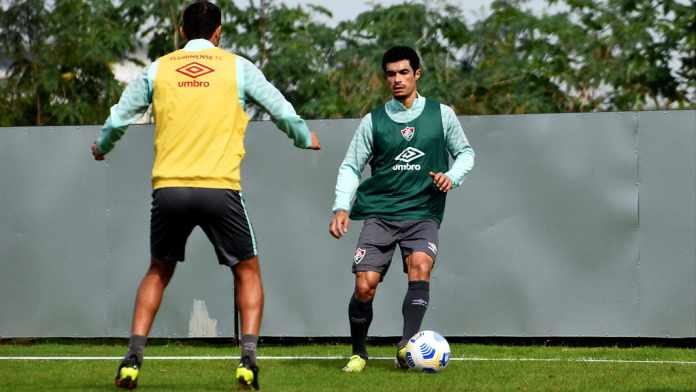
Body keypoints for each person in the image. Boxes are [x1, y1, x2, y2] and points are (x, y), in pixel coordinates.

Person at [92, 1, 320, 389]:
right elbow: (280, 108)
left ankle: (132, 357)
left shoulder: (158, 68)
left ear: (181, 31)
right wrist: (303, 137)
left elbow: (118, 117)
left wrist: (102, 145)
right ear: (218, 32)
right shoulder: (237, 67)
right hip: (219, 188)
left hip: (169, 189)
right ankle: (247, 359)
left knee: (158, 271)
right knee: (247, 271)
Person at [329, 46, 474, 372]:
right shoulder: (374, 121)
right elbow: (351, 167)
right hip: (380, 213)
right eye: (391, 74)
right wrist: (341, 206)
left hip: (422, 212)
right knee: (364, 286)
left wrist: (452, 177)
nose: (397, 79)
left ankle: (406, 346)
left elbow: (466, 153)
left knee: (420, 266)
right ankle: (358, 352)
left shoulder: (442, 115)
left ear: (416, 74)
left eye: (403, 72)